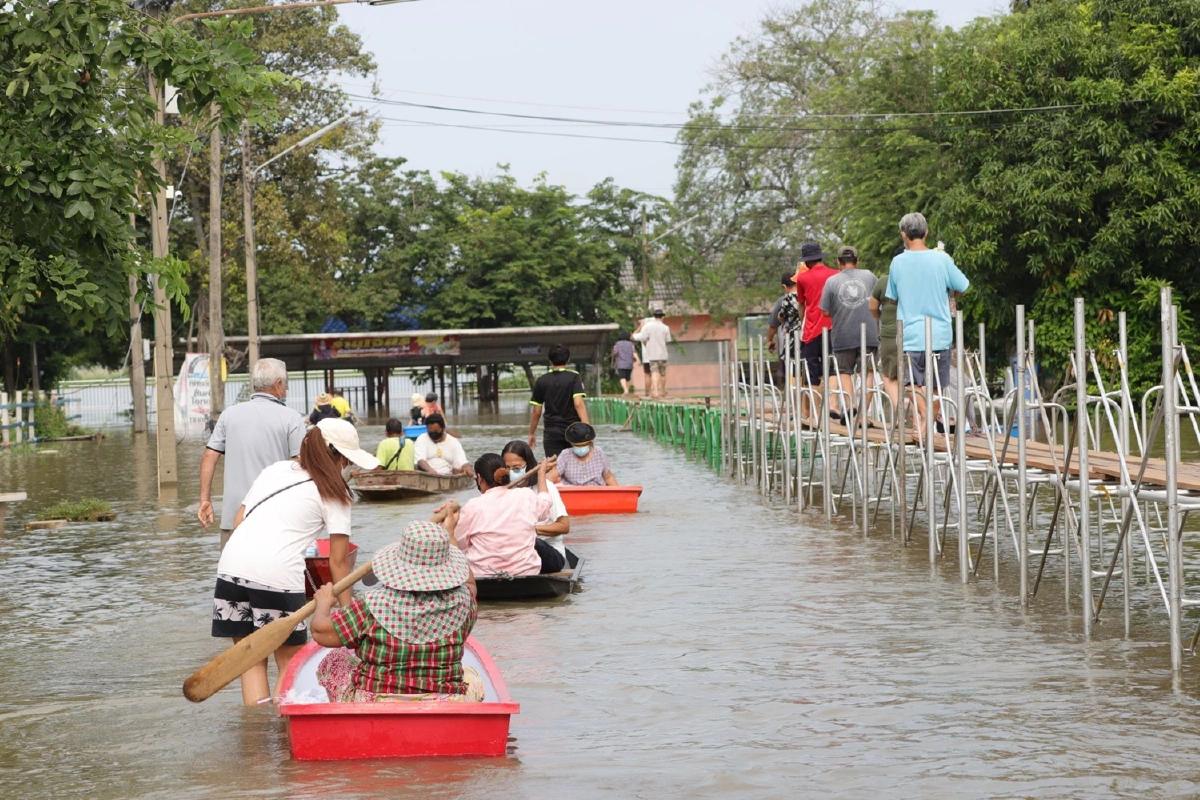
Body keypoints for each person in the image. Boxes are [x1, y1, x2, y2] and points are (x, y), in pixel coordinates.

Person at [211, 418, 379, 706]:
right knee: (291, 661)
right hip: (276, 575)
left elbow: (239, 520)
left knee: (251, 659)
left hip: (230, 570)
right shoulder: (335, 493)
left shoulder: (275, 470)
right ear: (336, 456)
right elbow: (339, 562)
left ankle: (256, 739)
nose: (346, 468)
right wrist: (350, 617)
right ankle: (280, 736)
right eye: (346, 460)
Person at [310, 517, 485, 703]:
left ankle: (345, 721)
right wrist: (450, 532)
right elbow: (470, 584)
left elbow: (320, 631)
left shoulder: (372, 604)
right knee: (472, 676)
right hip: (445, 701)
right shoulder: (465, 602)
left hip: (377, 702)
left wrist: (324, 603)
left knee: (335, 659)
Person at [199, 357, 305, 550]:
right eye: (286, 384)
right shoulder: (292, 418)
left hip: (233, 519)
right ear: (279, 384)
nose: (287, 389)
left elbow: (209, 456)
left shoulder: (229, 415)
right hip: (275, 518)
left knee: (230, 575)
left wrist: (205, 500)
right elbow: (301, 465)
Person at [885, 212, 970, 434]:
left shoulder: (897, 262)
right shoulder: (942, 258)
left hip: (910, 335)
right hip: (940, 334)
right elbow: (962, 287)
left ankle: (924, 417)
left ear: (904, 235)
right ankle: (928, 418)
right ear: (927, 233)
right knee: (936, 386)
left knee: (910, 384)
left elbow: (892, 298)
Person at [447, 453, 565, 575]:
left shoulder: (472, 506)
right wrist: (541, 475)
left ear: (480, 478)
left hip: (483, 575)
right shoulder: (525, 495)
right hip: (526, 572)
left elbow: (457, 544)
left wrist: (448, 524)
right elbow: (545, 504)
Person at [820, 245, 878, 421]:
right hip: (869, 333)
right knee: (866, 372)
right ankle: (861, 416)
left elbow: (825, 312)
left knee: (845, 371)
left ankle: (850, 405)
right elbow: (879, 302)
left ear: (838, 263)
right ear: (857, 261)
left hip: (843, 334)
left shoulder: (831, 282)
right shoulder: (870, 276)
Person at [502, 439, 569, 559]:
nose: (511, 472)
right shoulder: (503, 490)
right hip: (516, 549)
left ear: (528, 465)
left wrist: (530, 530)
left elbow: (564, 526)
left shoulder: (546, 486)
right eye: (507, 468)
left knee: (534, 544)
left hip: (546, 548)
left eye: (516, 468)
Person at [793, 242, 838, 424]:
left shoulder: (802, 279)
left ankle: (816, 413)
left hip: (811, 332)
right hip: (833, 328)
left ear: (807, 261)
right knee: (833, 368)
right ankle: (833, 405)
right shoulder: (835, 275)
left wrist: (801, 323)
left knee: (813, 373)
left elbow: (802, 306)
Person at [528, 344, 590, 459]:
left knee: (554, 468)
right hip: (573, 431)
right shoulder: (574, 377)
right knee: (576, 467)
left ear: (550, 361)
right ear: (568, 359)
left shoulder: (541, 380)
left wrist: (531, 433)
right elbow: (579, 404)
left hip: (551, 432)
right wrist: (587, 431)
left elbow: (536, 412)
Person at [869, 242, 905, 416]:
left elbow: (872, 307)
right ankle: (919, 417)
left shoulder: (884, 280)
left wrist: (881, 319)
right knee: (915, 378)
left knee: (889, 376)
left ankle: (899, 408)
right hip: (917, 334)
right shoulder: (919, 281)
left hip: (890, 334)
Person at [766, 271, 802, 383]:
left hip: (791, 342)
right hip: (809, 338)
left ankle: (795, 398)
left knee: (792, 373)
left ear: (784, 286)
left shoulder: (783, 300)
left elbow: (774, 324)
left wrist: (769, 340)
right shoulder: (807, 296)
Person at [557, 421, 618, 487]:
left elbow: (608, 477)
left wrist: (619, 494)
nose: (581, 448)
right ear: (571, 443)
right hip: (574, 493)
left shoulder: (598, 452)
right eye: (578, 445)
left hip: (597, 492)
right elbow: (550, 478)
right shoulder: (565, 455)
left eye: (584, 445)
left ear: (590, 442)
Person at [632, 308, 673, 399]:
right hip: (663, 354)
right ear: (662, 317)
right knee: (663, 373)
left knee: (654, 372)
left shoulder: (648, 327)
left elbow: (643, 338)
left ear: (654, 317)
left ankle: (655, 392)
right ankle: (662, 390)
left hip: (652, 354)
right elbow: (667, 341)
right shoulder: (666, 327)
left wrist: (647, 346)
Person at [611, 331, 637, 397]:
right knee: (628, 377)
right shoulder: (631, 344)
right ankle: (626, 391)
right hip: (629, 363)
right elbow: (634, 352)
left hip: (620, 363)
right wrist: (637, 359)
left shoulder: (617, 344)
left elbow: (615, 352)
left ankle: (625, 390)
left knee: (622, 376)